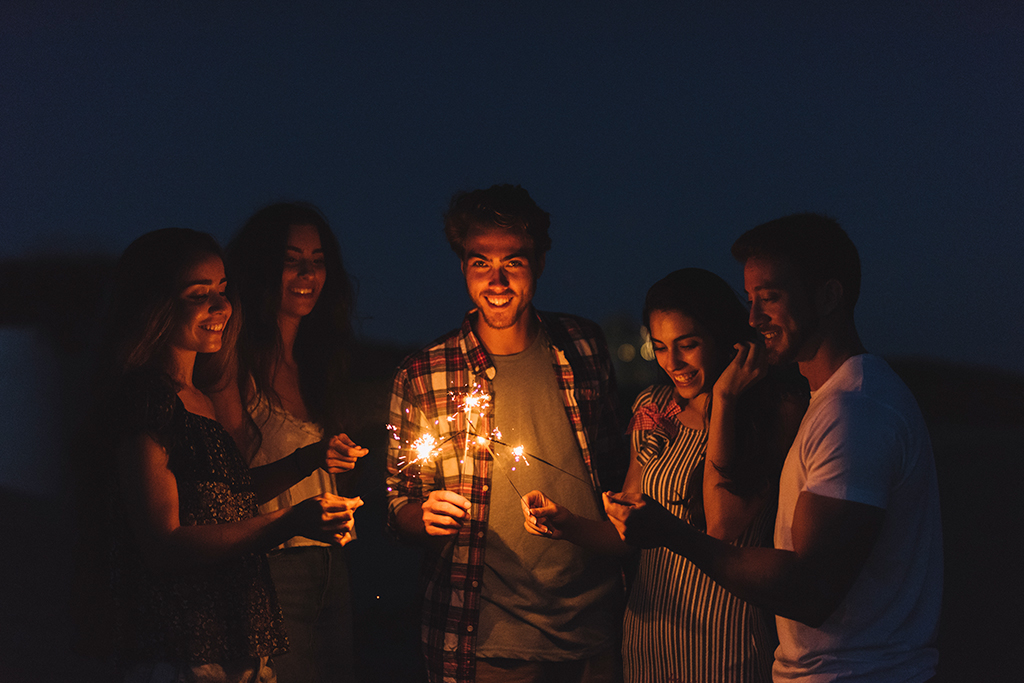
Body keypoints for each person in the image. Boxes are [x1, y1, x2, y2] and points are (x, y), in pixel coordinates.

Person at [605, 214, 943, 682]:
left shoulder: (856, 412)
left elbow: (810, 590)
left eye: (771, 298)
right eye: (750, 300)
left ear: (828, 295)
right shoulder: (830, 404)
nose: (753, 318)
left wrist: (673, 533)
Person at [90, 228, 362, 682]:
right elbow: (165, 540)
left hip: (236, 640)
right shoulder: (147, 399)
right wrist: (288, 522)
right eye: (200, 294)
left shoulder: (198, 397)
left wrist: (311, 457)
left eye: (222, 290)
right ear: (155, 304)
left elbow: (229, 496)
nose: (221, 307)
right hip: (187, 647)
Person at [385, 184, 627, 683]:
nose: (496, 281)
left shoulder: (583, 347)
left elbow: (619, 472)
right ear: (463, 266)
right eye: (480, 263)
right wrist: (421, 516)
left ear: (538, 263)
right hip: (487, 643)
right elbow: (398, 505)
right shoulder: (423, 374)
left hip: (598, 631)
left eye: (513, 263)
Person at [522, 268, 806, 683]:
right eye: (659, 347)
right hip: (649, 636)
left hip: (726, 644)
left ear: (724, 337)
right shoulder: (654, 407)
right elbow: (626, 534)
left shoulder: (774, 413)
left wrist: (724, 399)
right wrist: (565, 522)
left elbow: (723, 526)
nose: (672, 363)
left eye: (687, 345)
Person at [211, 202, 368, 683]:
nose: (307, 274)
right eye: (292, 259)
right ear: (261, 266)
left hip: (331, 562)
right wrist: (311, 458)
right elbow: (230, 492)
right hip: (269, 568)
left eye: (318, 260)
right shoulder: (232, 361)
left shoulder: (320, 361)